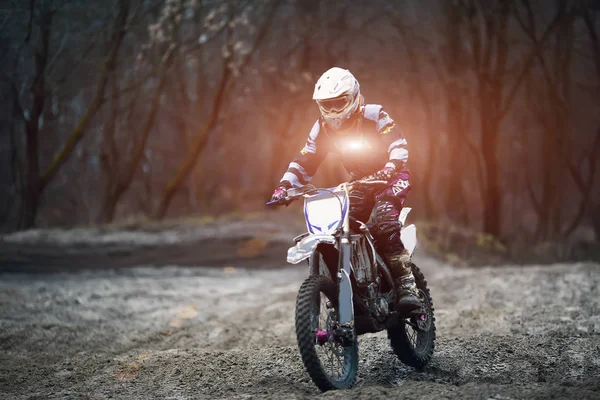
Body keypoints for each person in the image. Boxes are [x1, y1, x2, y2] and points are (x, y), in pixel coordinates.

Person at [270, 67, 421, 311]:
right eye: (325, 104)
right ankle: (348, 287)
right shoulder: (322, 128)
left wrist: (390, 167)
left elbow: (398, 144)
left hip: (392, 175)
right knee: (337, 225)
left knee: (384, 219)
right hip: (360, 180)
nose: (332, 111)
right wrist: (285, 185)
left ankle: (406, 283)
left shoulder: (375, 115)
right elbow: (305, 159)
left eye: (337, 103)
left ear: (352, 97)